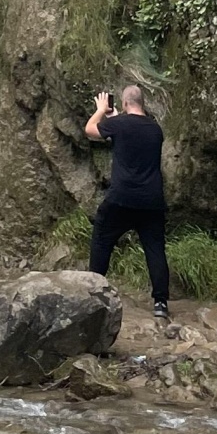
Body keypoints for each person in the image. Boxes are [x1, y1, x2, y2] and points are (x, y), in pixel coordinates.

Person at [84, 83, 171, 320]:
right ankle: (161, 303)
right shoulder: (156, 130)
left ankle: (95, 291)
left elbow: (90, 130)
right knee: (155, 250)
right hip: (151, 200)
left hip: (121, 198)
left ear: (124, 103)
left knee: (102, 239)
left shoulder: (119, 125)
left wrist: (102, 110)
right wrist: (116, 119)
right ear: (142, 103)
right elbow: (130, 143)